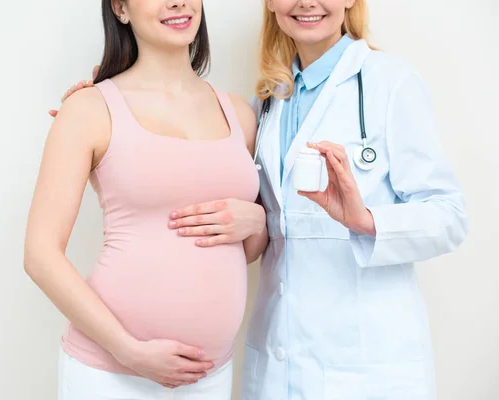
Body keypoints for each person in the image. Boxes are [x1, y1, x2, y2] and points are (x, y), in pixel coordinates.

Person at [57, 0, 468, 399]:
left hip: (364, 358)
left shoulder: (389, 83)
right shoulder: (267, 102)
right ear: (270, 3)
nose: (307, 3)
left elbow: (449, 216)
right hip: (278, 356)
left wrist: (364, 220)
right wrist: (102, 106)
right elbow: (244, 211)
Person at [24, 0, 269, 399]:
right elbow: (40, 255)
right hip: (110, 374)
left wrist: (257, 221)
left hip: (209, 376)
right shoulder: (88, 109)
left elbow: (245, 251)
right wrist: (129, 350)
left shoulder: (239, 113)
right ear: (120, 8)